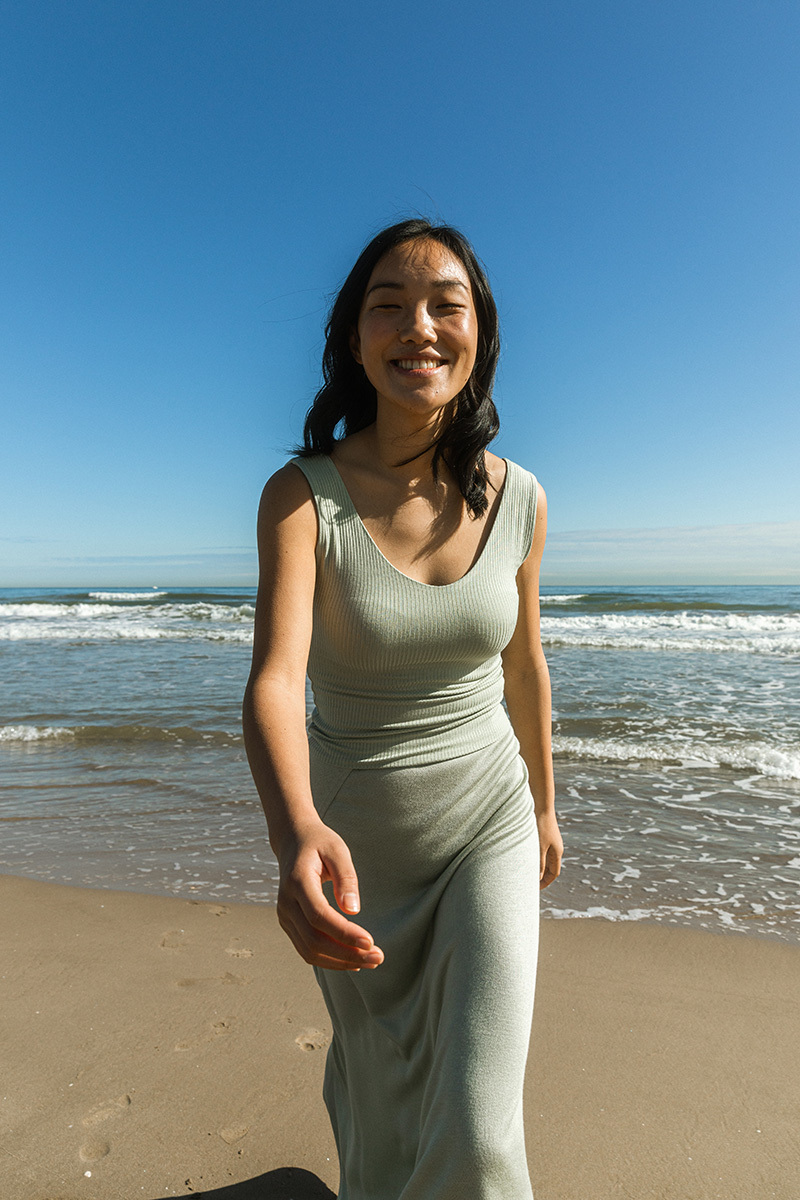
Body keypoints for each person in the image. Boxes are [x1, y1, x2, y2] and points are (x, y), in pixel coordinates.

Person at [242, 218, 562, 1199]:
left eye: (443, 304)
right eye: (388, 304)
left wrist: (544, 807)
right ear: (353, 337)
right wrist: (293, 828)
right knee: (381, 1103)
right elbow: (272, 677)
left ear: (478, 334)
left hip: (487, 823)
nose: (417, 326)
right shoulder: (302, 497)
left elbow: (523, 668)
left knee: (476, 1126)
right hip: (353, 838)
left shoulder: (522, 499)